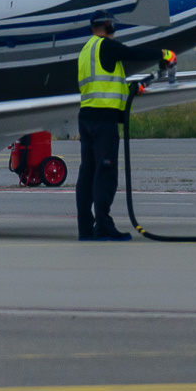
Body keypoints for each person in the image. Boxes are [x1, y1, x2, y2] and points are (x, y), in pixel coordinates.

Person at [75, 14, 131, 240]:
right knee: (105, 173)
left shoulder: (86, 49)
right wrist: (164, 55)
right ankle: (104, 227)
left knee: (87, 173)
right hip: (103, 121)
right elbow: (132, 53)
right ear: (109, 25)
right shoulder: (106, 46)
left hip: (86, 117)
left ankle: (85, 229)